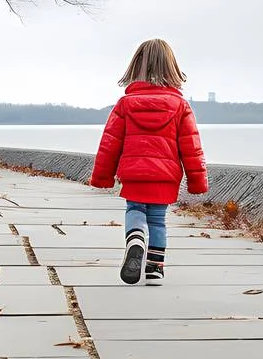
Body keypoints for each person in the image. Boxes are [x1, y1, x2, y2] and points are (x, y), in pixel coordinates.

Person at [89, 38, 209, 285]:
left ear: (135, 68)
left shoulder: (125, 104)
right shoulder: (180, 106)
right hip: (165, 176)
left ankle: (135, 239)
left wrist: (102, 177)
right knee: (157, 220)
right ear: (172, 70)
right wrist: (197, 181)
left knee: (135, 210)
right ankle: (155, 269)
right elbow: (192, 147)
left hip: (134, 173)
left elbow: (110, 143)